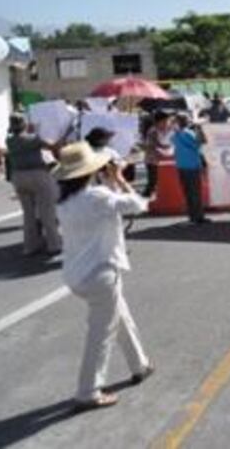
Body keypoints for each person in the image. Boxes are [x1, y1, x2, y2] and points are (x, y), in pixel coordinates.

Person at [54, 141, 154, 411]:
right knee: (101, 335)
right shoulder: (97, 196)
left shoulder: (65, 202)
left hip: (77, 274)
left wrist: (111, 183)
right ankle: (88, 391)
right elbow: (139, 205)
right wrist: (119, 179)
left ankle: (140, 364)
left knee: (119, 316)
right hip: (100, 274)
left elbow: (107, 208)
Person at [5, 114, 64, 256]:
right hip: (37, 174)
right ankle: (54, 245)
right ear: (24, 124)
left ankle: (30, 246)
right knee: (46, 212)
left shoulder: (9, 140)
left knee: (28, 214)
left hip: (18, 176)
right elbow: (53, 145)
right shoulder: (33, 138)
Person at [172, 114, 210, 225]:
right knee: (195, 192)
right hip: (192, 166)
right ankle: (198, 217)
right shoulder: (188, 133)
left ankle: (193, 216)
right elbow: (200, 143)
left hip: (181, 166)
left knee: (188, 193)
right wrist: (199, 129)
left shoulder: (176, 135)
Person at [142, 111, 173, 198]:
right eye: (165, 121)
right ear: (158, 122)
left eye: (168, 121)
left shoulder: (167, 130)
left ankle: (156, 198)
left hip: (162, 160)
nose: (167, 123)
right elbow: (153, 145)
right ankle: (144, 197)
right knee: (153, 181)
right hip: (152, 160)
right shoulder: (153, 131)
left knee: (160, 181)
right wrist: (165, 148)